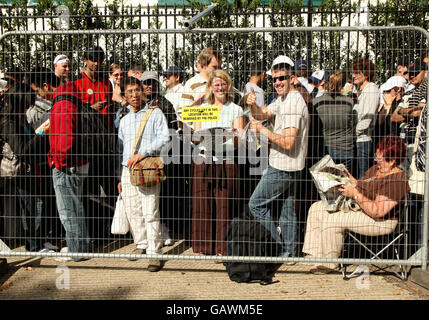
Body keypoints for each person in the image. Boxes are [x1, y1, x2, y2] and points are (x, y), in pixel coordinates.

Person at [302, 135, 410, 273]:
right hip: (361, 210)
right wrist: (347, 178)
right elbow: (362, 186)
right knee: (316, 208)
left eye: (380, 159)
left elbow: (377, 211)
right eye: (376, 156)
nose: (376, 161)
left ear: (392, 161)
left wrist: (355, 194)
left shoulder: (397, 181)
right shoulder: (376, 170)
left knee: (333, 220)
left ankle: (329, 262)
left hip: (380, 221)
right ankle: (314, 255)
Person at [246, 55, 309, 259]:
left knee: (255, 205)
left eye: (282, 78)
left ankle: (278, 249)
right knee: (286, 211)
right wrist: (252, 106)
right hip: (289, 165)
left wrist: (263, 132)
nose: (277, 82)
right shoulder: (282, 99)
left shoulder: (293, 103)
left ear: (292, 78)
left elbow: (289, 142)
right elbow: (262, 114)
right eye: (274, 79)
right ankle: (289, 253)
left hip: (283, 166)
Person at [117, 76, 170, 272]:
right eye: (129, 92)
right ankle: (142, 244)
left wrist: (143, 153)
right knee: (133, 211)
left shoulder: (155, 114)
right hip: (127, 169)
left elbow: (165, 137)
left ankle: (154, 253)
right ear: (124, 95)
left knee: (150, 210)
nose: (134, 95)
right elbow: (120, 147)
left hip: (147, 166)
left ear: (142, 91)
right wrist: (119, 176)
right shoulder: (124, 119)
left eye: (136, 90)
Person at [191, 70, 245, 258]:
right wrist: (199, 139)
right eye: (216, 85)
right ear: (211, 87)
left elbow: (239, 140)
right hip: (203, 160)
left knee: (224, 205)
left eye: (223, 84)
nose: (220, 88)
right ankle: (202, 247)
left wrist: (225, 139)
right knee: (202, 204)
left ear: (228, 86)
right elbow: (195, 136)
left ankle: (223, 248)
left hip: (226, 160)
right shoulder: (202, 107)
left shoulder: (236, 109)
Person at [47, 81, 92, 261]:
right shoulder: (75, 103)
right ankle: (83, 245)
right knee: (76, 207)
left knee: (68, 211)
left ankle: (76, 251)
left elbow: (64, 141)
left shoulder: (62, 106)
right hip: (79, 162)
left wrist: (59, 163)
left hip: (67, 165)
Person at [313, 71, 355, 170]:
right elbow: (353, 123)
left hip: (326, 149)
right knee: (345, 183)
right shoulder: (349, 102)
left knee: (327, 183)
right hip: (346, 148)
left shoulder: (317, 103)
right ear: (343, 85)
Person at [351, 58, 379, 178]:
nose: (354, 75)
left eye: (357, 72)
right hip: (355, 139)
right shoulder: (358, 90)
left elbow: (367, 118)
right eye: (353, 72)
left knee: (364, 176)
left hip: (363, 140)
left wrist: (353, 132)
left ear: (366, 73)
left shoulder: (371, 89)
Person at [177, 47, 222, 120]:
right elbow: (182, 114)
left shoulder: (223, 82)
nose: (219, 71)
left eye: (220, 67)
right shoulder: (191, 84)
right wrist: (200, 101)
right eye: (214, 67)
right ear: (204, 65)